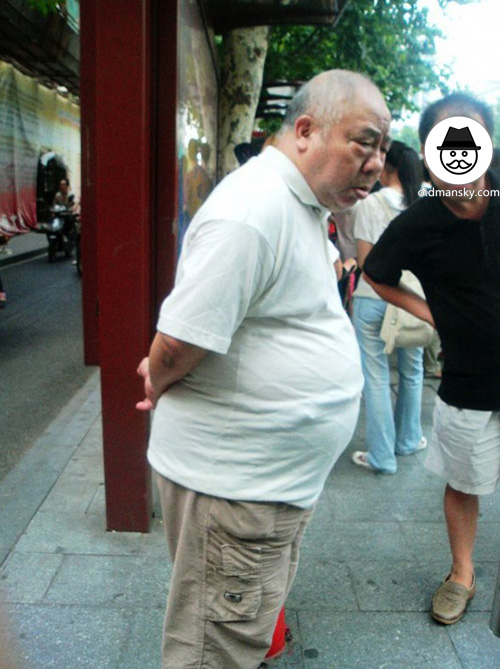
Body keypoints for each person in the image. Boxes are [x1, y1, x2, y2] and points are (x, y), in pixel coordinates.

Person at [136, 69, 391, 668]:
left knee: (238, 635)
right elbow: (175, 346)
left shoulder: (299, 201)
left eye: (383, 148)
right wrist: (156, 375)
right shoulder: (252, 210)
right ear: (305, 130)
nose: (377, 162)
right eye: (365, 142)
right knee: (213, 652)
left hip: (264, 488)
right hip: (235, 492)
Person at [362, 92, 500, 626]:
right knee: (465, 480)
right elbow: (376, 272)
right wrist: (429, 311)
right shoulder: (418, 222)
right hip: (467, 380)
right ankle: (461, 573)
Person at [350, 140, 426, 474]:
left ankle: (382, 456)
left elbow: (366, 262)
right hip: (415, 299)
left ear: (388, 168)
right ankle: (408, 440)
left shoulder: (371, 204)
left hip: (373, 297)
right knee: (412, 370)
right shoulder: (428, 198)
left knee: (376, 376)